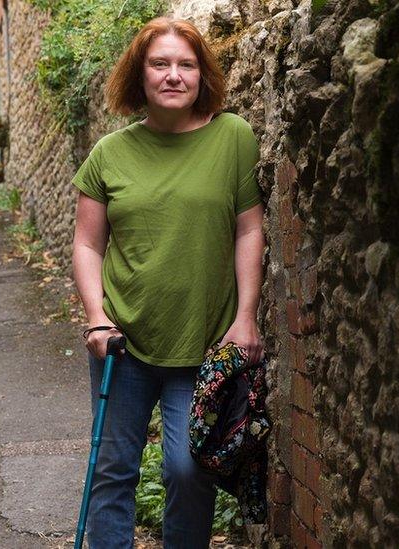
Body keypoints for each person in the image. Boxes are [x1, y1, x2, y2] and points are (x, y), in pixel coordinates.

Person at [70, 17, 266, 549]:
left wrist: (245, 316)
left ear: (203, 75)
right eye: (160, 64)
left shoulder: (233, 138)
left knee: (186, 470)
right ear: (141, 75)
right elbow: (88, 244)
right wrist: (96, 317)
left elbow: (249, 228)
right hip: (123, 345)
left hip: (204, 343)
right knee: (113, 471)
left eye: (186, 64)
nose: (173, 75)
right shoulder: (109, 155)